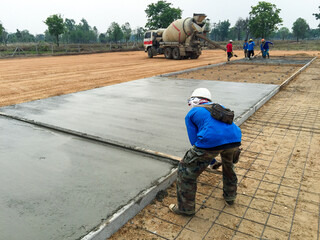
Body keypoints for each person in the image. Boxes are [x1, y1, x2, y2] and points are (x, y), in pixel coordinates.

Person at [169, 88, 242, 216]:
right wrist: (213, 161)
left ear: (194, 100)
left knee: (186, 173)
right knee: (228, 167)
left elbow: (195, 142)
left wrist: (210, 160)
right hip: (234, 140)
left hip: (211, 142)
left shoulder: (192, 113)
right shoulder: (219, 107)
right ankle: (230, 197)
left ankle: (185, 209)